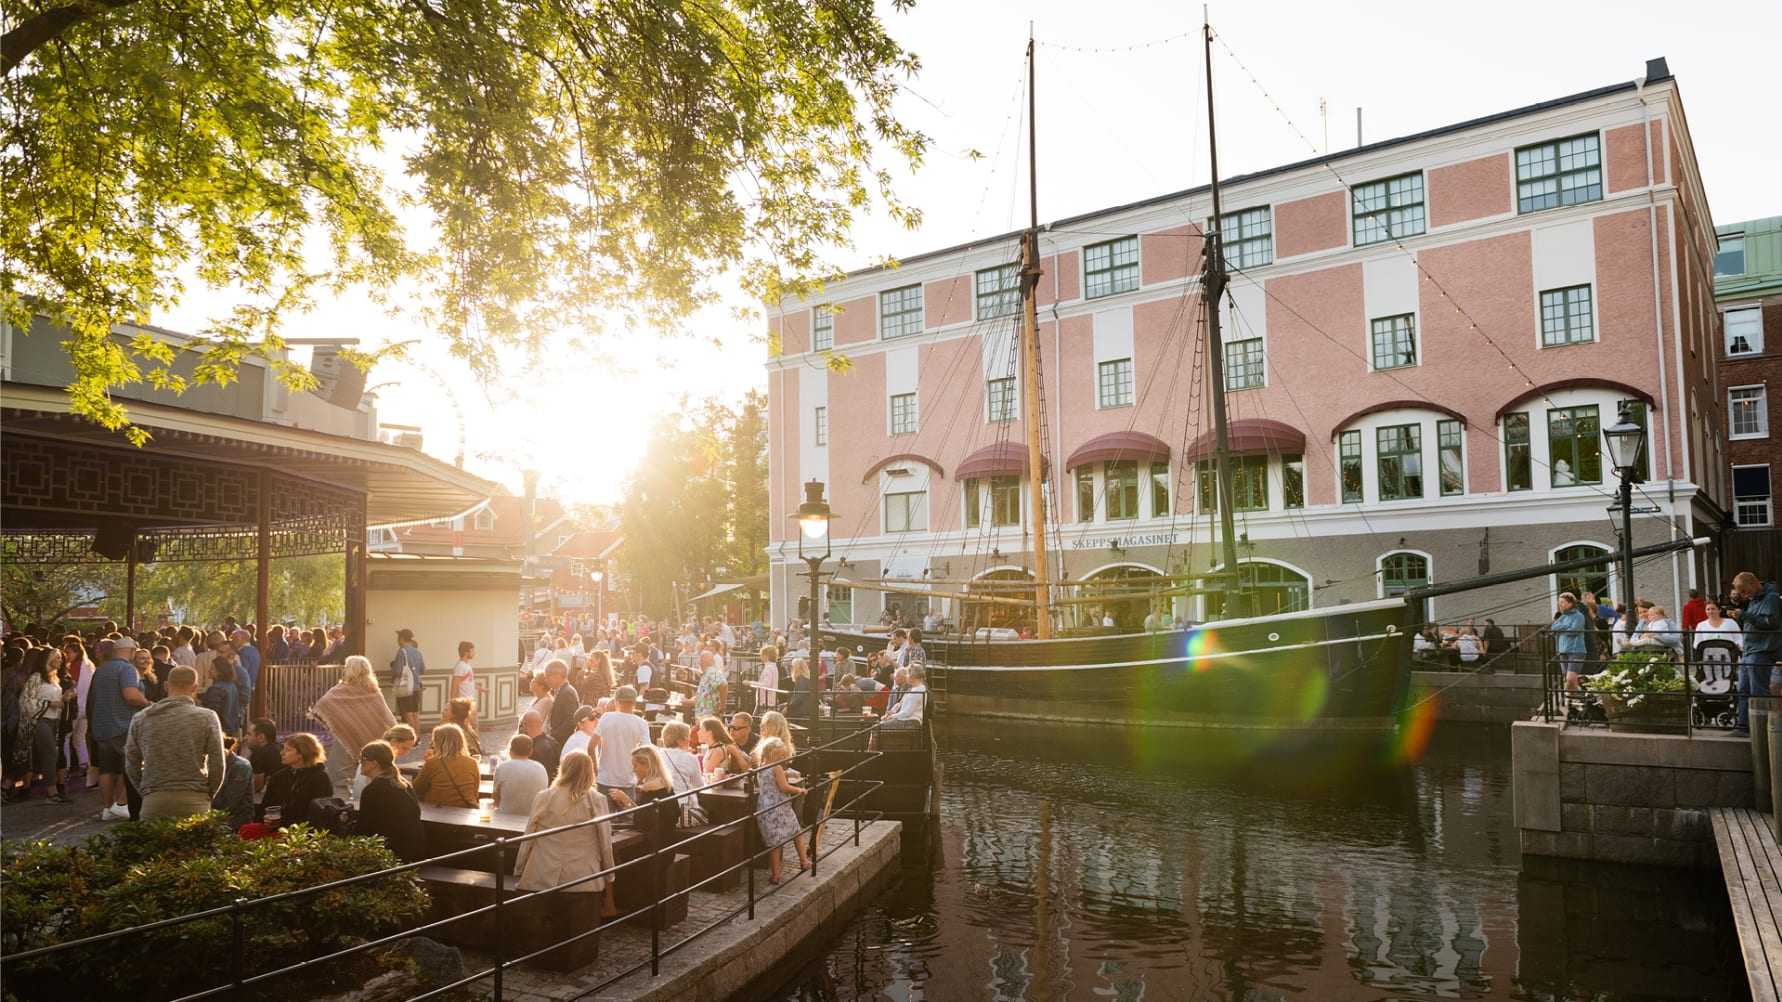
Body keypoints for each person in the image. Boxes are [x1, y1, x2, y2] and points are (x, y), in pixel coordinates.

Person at [513, 750, 617, 919]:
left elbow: (529, 836)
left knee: (548, 935)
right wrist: (609, 877)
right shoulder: (596, 800)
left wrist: (519, 868)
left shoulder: (544, 796)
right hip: (584, 877)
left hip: (543, 874)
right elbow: (605, 843)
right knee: (580, 936)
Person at [123, 665, 227, 821]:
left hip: (154, 799)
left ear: (166, 686)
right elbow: (218, 762)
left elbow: (131, 761)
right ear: (195, 688)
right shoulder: (207, 717)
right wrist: (208, 793)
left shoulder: (141, 718)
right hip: (195, 798)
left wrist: (145, 791)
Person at [310, 656, 398, 798]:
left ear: (349, 670)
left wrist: (337, 724)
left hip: (344, 740)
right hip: (371, 741)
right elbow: (387, 718)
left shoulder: (340, 690)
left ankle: (341, 810)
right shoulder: (373, 691)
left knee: (340, 779)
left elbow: (322, 705)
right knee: (372, 776)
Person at [87, 637, 150, 821]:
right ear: (130, 651)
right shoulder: (127, 668)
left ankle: (107, 809)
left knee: (106, 770)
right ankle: (121, 804)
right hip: (122, 725)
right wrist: (148, 703)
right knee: (130, 766)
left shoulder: (101, 669)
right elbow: (131, 695)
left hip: (102, 726)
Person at [352, 740, 426, 862]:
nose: (360, 762)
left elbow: (364, 827)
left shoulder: (373, 789)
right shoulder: (404, 784)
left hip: (391, 853)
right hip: (411, 849)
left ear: (374, 763)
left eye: (363, 759)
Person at [15, 649, 70, 803]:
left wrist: (65, 698)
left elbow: (57, 701)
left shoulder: (55, 678)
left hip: (54, 721)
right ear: (48, 659)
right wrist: (49, 703)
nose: (60, 660)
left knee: (51, 754)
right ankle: (51, 792)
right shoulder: (36, 677)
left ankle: (51, 791)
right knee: (50, 753)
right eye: (57, 657)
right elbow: (25, 701)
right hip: (40, 720)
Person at [753, 736, 809, 884]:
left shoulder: (761, 766)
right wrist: (799, 790)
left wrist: (787, 774)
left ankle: (776, 875)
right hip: (779, 805)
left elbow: (772, 780)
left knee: (774, 842)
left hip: (765, 806)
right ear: (773, 754)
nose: (783, 758)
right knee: (796, 832)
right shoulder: (777, 767)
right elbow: (784, 787)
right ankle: (804, 862)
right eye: (781, 755)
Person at [1733, 571, 1780, 736]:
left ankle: (1761, 730)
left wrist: (1744, 615)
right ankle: (1743, 726)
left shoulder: (1771, 598)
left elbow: (1771, 623)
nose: (1745, 596)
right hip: (1750, 649)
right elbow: (1753, 620)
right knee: (1744, 689)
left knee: (1758, 690)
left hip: (1762, 649)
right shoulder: (1754, 599)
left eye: (1745, 591)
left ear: (1753, 585)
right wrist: (1741, 614)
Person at [260, 732, 333, 827]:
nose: (282, 753)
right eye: (283, 749)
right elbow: (266, 806)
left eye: (288, 750)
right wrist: (265, 818)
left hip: (303, 831)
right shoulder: (278, 776)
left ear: (302, 753)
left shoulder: (320, 778)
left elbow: (320, 812)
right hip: (275, 827)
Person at [594, 685, 649, 801]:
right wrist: (639, 778)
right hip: (628, 780)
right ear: (634, 703)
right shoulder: (641, 723)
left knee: (604, 817)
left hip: (605, 779)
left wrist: (596, 769)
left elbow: (590, 747)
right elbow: (646, 753)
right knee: (628, 817)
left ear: (616, 701)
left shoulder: (606, 717)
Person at [411, 723, 480, 808]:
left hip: (439, 809)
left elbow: (416, 789)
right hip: (466, 809)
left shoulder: (433, 763)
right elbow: (475, 792)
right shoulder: (472, 762)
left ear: (438, 743)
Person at [494, 732, 550, 812]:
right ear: (531, 752)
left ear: (510, 751)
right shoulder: (541, 768)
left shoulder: (502, 768)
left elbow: (495, 801)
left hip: (506, 819)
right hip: (532, 819)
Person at [212, 736, 255, 828]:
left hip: (236, 822)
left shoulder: (241, 766)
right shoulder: (212, 764)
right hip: (218, 820)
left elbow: (230, 802)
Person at [390, 628, 426, 732]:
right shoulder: (418, 652)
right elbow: (423, 670)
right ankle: (417, 737)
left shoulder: (402, 651)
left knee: (407, 714)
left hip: (405, 688)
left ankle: (411, 738)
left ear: (402, 638)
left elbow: (397, 671)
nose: (397, 641)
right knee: (415, 713)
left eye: (398, 638)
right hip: (417, 686)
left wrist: (393, 667)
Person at [1551, 593, 1588, 692]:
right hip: (1562, 651)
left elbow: (1573, 631)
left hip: (1576, 650)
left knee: (1570, 679)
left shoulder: (1579, 616)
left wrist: (1561, 627)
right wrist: (1566, 626)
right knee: (1568, 680)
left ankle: (1581, 698)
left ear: (1570, 603)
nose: (1560, 605)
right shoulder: (1562, 617)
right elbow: (1553, 627)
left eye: (1562, 602)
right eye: (1559, 603)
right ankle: (1576, 701)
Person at [542, 660, 581, 749]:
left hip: (562, 742)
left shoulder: (568, 692)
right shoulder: (560, 690)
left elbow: (571, 721)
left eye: (548, 676)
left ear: (557, 676)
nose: (546, 680)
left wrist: (553, 735)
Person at [658, 721, 704, 793]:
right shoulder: (690, 758)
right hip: (681, 801)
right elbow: (699, 786)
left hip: (659, 800)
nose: (690, 740)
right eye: (688, 737)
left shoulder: (657, 754)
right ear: (680, 740)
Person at [247, 717, 282, 796]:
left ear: (261, 737)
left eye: (249, 734)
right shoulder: (281, 747)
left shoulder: (259, 754)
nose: (246, 738)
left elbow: (256, 787)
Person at [450, 641, 479, 727]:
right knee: (469, 725)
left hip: (470, 699)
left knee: (473, 725)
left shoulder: (467, 665)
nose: (474, 653)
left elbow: (469, 681)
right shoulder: (460, 666)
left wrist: (481, 689)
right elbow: (455, 685)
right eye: (472, 650)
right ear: (466, 652)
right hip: (463, 702)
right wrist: (453, 702)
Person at [692, 650, 728, 719]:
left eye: (700, 659)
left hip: (709, 715)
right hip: (704, 715)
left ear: (704, 661)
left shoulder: (712, 672)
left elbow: (723, 685)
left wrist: (722, 706)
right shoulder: (707, 673)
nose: (699, 662)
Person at [755, 646, 780, 712]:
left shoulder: (768, 668)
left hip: (765, 702)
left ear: (766, 656)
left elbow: (766, 684)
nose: (760, 657)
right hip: (770, 700)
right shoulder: (774, 667)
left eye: (761, 655)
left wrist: (750, 683)